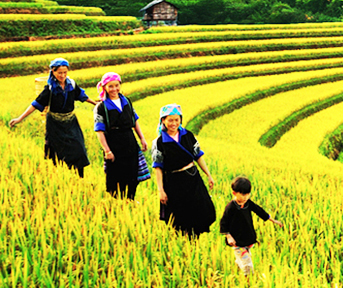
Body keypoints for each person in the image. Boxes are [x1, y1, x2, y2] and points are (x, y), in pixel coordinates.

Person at [9, 57, 95, 177]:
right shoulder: (50, 89)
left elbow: (82, 96)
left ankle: (80, 176)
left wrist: (96, 104)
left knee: (78, 147)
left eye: (65, 72)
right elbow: (35, 105)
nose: (62, 75)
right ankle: (58, 175)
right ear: (53, 72)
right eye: (59, 73)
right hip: (55, 124)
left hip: (70, 122)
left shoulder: (71, 84)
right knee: (56, 151)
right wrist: (20, 118)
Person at [151, 104, 216, 237]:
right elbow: (158, 167)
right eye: (170, 120)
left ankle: (196, 237)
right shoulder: (159, 142)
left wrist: (208, 175)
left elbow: (198, 156)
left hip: (192, 178)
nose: (174, 123)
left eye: (177, 120)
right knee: (180, 213)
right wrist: (160, 190)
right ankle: (184, 240)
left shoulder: (188, 135)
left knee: (201, 208)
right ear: (163, 120)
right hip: (174, 181)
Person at [94, 72, 148, 200]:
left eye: (116, 85)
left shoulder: (127, 102)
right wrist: (107, 150)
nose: (114, 89)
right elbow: (99, 131)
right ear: (105, 87)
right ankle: (116, 201)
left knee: (132, 173)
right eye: (110, 86)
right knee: (115, 175)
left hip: (129, 140)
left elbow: (134, 121)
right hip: (113, 142)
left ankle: (130, 199)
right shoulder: (101, 107)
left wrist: (142, 138)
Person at [220, 175, 283, 277]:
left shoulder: (248, 203)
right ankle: (248, 283)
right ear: (234, 193)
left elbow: (260, 211)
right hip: (237, 241)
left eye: (247, 194)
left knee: (245, 259)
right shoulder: (231, 207)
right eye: (242, 195)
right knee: (248, 265)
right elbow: (224, 222)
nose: (245, 197)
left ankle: (238, 268)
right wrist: (228, 236)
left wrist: (273, 220)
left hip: (248, 238)